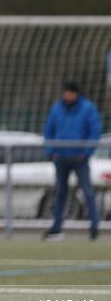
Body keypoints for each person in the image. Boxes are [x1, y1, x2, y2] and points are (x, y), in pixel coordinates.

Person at [43, 81, 102, 241]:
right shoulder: (57, 108)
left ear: (76, 94)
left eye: (70, 93)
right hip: (61, 158)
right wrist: (51, 152)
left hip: (80, 158)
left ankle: (94, 228)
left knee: (88, 192)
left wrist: (87, 152)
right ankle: (56, 228)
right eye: (65, 92)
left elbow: (95, 131)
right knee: (60, 192)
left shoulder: (88, 108)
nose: (67, 96)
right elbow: (48, 130)